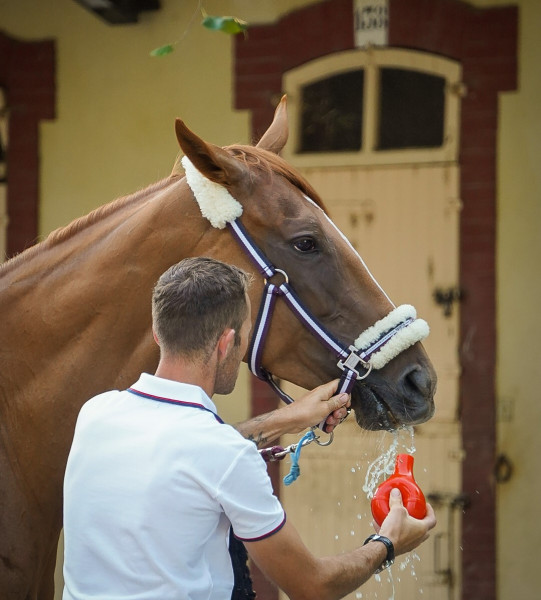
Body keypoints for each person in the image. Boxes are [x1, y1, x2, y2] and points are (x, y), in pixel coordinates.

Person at [63, 257, 436, 600]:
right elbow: (312, 586)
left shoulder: (96, 414)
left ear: (160, 334)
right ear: (227, 343)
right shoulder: (223, 455)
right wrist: (387, 543)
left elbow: (183, 451)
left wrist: (287, 419)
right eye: (243, 336)